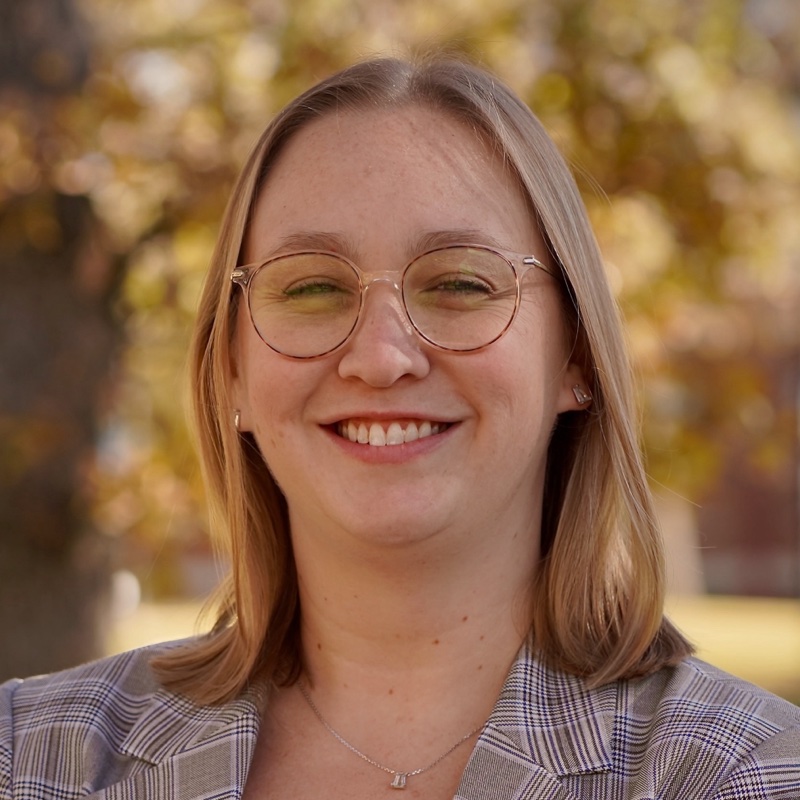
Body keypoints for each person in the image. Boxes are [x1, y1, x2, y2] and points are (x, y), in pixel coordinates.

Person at [2, 54, 799, 800]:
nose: (381, 358)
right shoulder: (29, 758)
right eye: (312, 288)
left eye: (460, 283)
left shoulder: (743, 772)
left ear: (576, 357)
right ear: (232, 370)